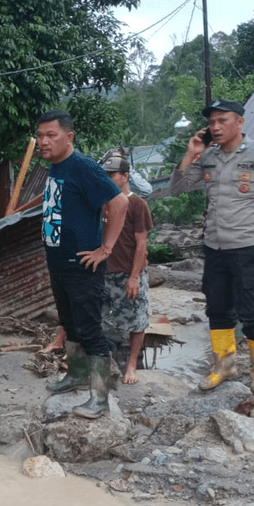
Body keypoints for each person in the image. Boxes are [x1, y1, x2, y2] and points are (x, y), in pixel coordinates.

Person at [167, 99, 254, 393]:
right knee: (218, 309)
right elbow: (177, 187)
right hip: (215, 248)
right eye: (212, 123)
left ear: (239, 122)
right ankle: (225, 367)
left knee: (251, 310)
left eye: (222, 121)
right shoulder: (208, 156)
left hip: (248, 247)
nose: (216, 127)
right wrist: (191, 152)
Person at [37, 111, 129, 418]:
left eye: (51, 135)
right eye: (40, 136)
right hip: (59, 262)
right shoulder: (56, 167)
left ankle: (99, 398)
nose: (44, 141)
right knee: (69, 322)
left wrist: (106, 249)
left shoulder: (83, 167)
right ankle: (75, 375)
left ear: (69, 137)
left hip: (83, 265)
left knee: (90, 329)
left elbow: (119, 203)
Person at [98, 147, 154, 385]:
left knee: (136, 319)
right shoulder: (101, 203)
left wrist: (134, 277)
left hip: (128, 272)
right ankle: (104, 363)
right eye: (105, 175)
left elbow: (141, 244)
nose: (108, 179)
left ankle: (132, 364)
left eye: (112, 175)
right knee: (101, 319)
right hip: (103, 272)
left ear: (125, 175)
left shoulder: (137, 204)